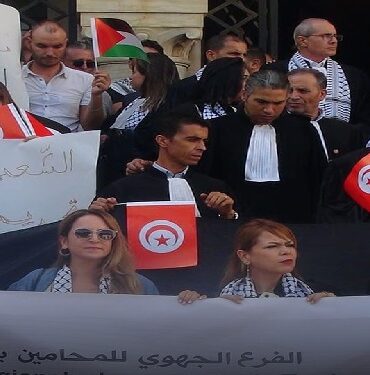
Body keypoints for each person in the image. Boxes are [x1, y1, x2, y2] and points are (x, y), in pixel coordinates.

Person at [206, 69, 327, 223]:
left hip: (294, 219)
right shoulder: (218, 129)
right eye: (261, 102)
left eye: (278, 103)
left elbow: (319, 178)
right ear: (244, 95)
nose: (269, 110)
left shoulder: (303, 130)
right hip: (231, 217)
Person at [91, 109, 238, 220]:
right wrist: (97, 212)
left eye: (204, 141)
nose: (202, 147)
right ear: (163, 141)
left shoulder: (215, 189)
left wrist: (228, 214)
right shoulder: (123, 188)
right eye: (192, 140)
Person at [264, 18, 370, 140]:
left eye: (335, 36)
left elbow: (364, 118)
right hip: (286, 139)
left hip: (340, 146)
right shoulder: (274, 71)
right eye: (326, 36)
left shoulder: (354, 76)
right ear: (302, 41)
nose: (334, 41)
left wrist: (344, 135)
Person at [8, 209, 158, 294]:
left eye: (104, 234)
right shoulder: (35, 280)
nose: (94, 239)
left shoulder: (140, 285)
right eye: (83, 233)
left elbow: (157, 328)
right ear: (64, 242)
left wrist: (181, 304)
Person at [22, 20, 111, 132]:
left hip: (67, 145)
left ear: (65, 44)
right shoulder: (13, 77)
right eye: (42, 46)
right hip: (21, 144)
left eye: (57, 46)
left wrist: (96, 96)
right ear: (29, 43)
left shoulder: (85, 80)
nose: (50, 52)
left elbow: (90, 126)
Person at [220, 219, 335, 302]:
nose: (286, 251)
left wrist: (331, 306)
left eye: (290, 245)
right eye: (272, 246)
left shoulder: (312, 292)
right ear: (245, 256)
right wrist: (216, 309)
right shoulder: (225, 295)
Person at [286, 68, 363, 160]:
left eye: (303, 91)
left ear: (322, 94)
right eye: (289, 91)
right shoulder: (275, 128)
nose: (294, 96)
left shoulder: (346, 132)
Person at [169, 33, 247, 107]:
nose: (242, 59)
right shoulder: (184, 88)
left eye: (244, 55)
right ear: (211, 55)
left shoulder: (248, 84)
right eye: (234, 54)